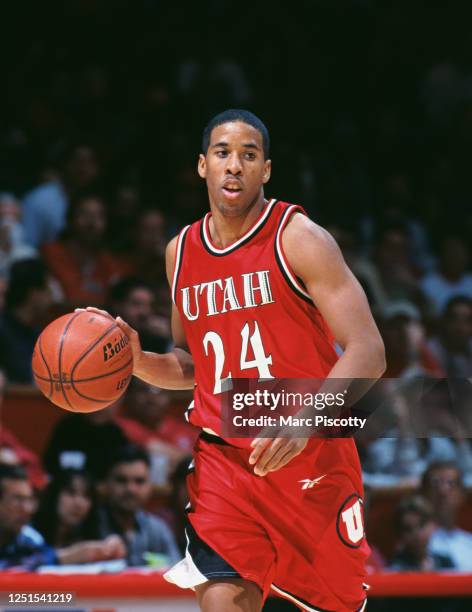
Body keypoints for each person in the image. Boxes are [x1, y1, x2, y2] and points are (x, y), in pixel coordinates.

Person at [82, 109, 385, 612]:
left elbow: (369, 351)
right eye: (223, 153)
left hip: (312, 456)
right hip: (225, 460)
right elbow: (194, 365)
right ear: (203, 165)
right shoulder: (180, 251)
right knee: (222, 600)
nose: (235, 166)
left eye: (249, 156)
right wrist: (136, 362)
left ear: (266, 170)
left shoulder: (299, 237)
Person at [97, 445, 180, 567]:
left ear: (150, 486)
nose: (131, 489)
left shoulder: (158, 530)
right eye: (121, 480)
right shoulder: (90, 526)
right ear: (106, 484)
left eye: (139, 481)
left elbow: (178, 576)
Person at [42, 193, 130, 306]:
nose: (91, 222)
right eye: (85, 214)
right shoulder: (50, 254)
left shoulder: (110, 264)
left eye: (99, 216)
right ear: (70, 219)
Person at [33, 468, 125, 565]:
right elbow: (22, 561)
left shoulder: (96, 529)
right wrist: (73, 555)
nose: (79, 504)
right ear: (55, 496)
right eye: (71, 493)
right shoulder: (31, 533)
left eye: (86, 496)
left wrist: (113, 547)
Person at [21, 143, 101, 248]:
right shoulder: (39, 200)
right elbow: (26, 245)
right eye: (78, 161)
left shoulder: (99, 203)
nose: (83, 169)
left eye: (89, 162)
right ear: (66, 163)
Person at [0, 258, 52, 383]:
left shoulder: (38, 333)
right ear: (33, 293)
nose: (51, 294)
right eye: (46, 289)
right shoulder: (2, 331)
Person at [0, 464, 56, 569]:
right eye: (17, 500)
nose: (27, 509)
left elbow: (47, 557)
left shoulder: (29, 539)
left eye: (28, 500)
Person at [421, 461, 472, 570]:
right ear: (423, 493)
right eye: (435, 483)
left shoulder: (469, 543)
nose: (442, 491)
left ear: (462, 495)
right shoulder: (414, 542)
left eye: (451, 483)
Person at [389, 495, 454, 571]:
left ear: (434, 525)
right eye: (408, 529)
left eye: (422, 524)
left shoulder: (445, 562)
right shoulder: (396, 568)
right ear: (400, 534)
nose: (416, 533)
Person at [428, 296, 472, 378]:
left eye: (467, 321)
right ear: (445, 321)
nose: (460, 327)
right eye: (454, 319)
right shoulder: (429, 351)